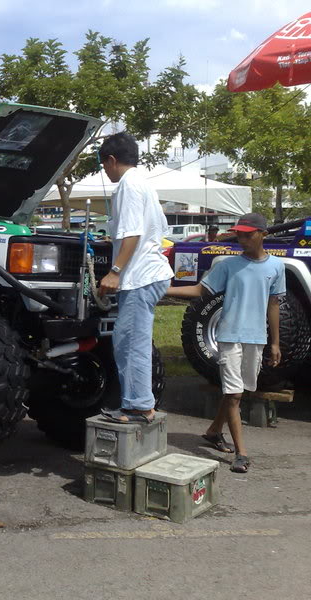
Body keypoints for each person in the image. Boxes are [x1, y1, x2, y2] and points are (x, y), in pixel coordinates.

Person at [166, 213, 283, 473]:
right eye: (239, 234)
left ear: (262, 234)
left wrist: (275, 343)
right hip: (229, 336)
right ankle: (241, 454)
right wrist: (163, 289)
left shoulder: (277, 267)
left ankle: (213, 430)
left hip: (257, 338)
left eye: (247, 234)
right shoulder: (228, 265)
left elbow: (274, 304)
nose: (241, 238)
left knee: (239, 391)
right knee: (234, 394)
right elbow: (200, 290)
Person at [97, 132, 174, 424]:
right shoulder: (143, 183)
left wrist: (114, 271)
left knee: (129, 342)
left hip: (139, 276)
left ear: (112, 160)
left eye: (104, 165)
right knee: (131, 340)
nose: (105, 171)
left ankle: (139, 406)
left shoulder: (128, 186)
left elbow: (132, 234)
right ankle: (139, 404)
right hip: (149, 273)